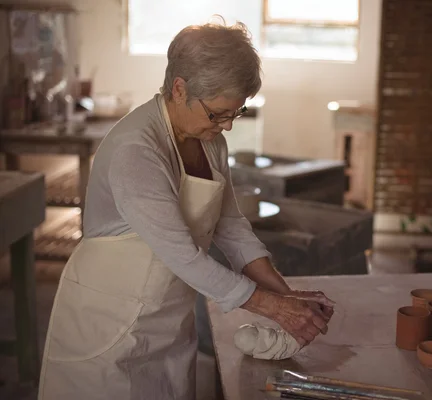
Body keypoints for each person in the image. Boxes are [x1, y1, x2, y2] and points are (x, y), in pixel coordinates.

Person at [38, 19, 335, 400]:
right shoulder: (137, 151)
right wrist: (275, 309)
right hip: (108, 322)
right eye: (218, 113)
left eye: (237, 113)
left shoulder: (209, 141)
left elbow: (230, 227)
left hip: (168, 318)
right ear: (180, 89)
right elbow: (185, 256)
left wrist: (288, 297)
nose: (227, 126)